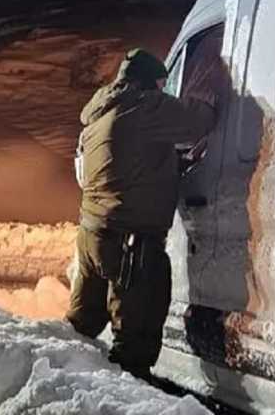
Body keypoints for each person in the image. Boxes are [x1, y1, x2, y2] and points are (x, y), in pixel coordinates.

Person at [66, 48, 218, 381]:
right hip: (129, 245)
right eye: (163, 84)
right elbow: (198, 122)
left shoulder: (102, 111)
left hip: (92, 234)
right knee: (134, 346)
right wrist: (208, 89)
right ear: (150, 82)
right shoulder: (145, 104)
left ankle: (62, 387)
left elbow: (127, 162)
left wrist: (169, 166)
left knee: (79, 330)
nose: (165, 91)